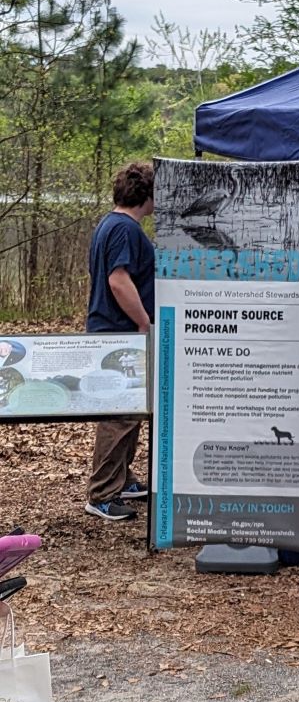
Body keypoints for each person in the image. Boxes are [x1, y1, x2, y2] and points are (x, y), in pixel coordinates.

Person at [84, 162, 156, 522]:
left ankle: (121, 479)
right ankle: (102, 493)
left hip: (113, 331)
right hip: (119, 333)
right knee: (119, 415)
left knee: (130, 411)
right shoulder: (125, 229)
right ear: (146, 194)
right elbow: (118, 280)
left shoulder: (109, 225)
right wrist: (144, 322)